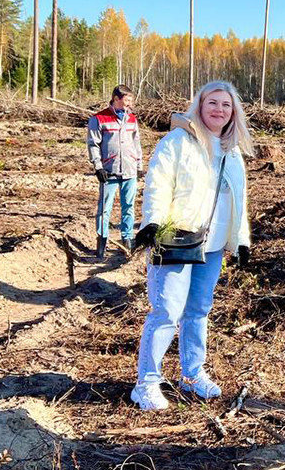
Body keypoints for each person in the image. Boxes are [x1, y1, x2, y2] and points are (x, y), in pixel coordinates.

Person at [130, 81, 253, 411]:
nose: (219, 110)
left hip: (211, 248)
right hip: (176, 241)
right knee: (166, 311)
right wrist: (152, 222)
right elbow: (157, 183)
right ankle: (147, 383)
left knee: (198, 311)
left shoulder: (231, 150)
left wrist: (240, 241)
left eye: (226, 105)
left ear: (233, 112)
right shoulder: (178, 142)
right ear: (199, 106)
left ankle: (193, 373)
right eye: (212, 103)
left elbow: (238, 201)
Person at [87, 84, 143, 258]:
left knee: (129, 207)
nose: (129, 104)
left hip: (129, 171)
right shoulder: (99, 119)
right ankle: (102, 241)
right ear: (116, 99)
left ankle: (127, 240)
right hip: (109, 172)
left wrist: (139, 165)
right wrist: (98, 167)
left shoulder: (132, 119)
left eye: (131, 101)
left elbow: (136, 143)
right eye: (126, 101)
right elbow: (93, 145)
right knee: (104, 208)